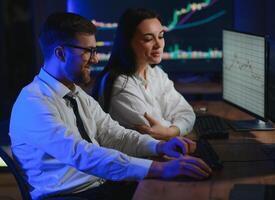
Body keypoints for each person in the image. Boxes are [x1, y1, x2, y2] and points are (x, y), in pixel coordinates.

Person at [9, 12, 211, 200]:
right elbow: (82, 154)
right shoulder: (33, 103)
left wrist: (159, 146)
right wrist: (160, 169)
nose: (95, 59)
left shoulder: (76, 94)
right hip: (68, 196)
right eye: (88, 52)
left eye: (95, 51)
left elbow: (115, 134)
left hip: (99, 186)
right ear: (60, 53)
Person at [93, 8, 196, 140]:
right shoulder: (120, 84)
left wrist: (171, 131)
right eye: (148, 39)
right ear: (128, 43)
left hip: (160, 151)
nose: (158, 44)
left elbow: (186, 113)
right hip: (137, 158)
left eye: (161, 36)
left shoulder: (156, 73)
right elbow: (152, 132)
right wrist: (174, 127)